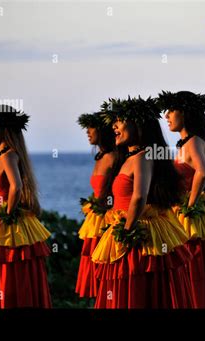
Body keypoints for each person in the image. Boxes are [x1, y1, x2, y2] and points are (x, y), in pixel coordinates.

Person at [91, 96, 194, 308]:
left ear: (137, 124)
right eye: (114, 121)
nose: (114, 126)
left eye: (120, 120)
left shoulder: (143, 156)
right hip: (127, 228)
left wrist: (127, 232)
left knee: (137, 292)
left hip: (138, 234)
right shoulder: (130, 158)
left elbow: (139, 196)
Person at [0, 105, 52, 308]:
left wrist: (7, 215)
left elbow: (16, 186)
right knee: (1, 270)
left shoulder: (8, 155)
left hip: (6, 223)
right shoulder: (2, 157)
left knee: (6, 270)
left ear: (3, 129)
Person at [158, 90, 205, 308]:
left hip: (191, 219)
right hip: (186, 215)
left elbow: (203, 171)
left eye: (171, 111)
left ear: (185, 113)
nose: (166, 116)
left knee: (193, 269)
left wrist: (190, 203)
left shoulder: (194, 142)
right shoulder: (186, 143)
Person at [75, 111, 117, 299]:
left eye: (91, 127)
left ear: (103, 130)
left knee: (106, 272)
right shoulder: (101, 156)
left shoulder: (114, 157)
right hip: (96, 220)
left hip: (108, 220)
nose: (87, 131)